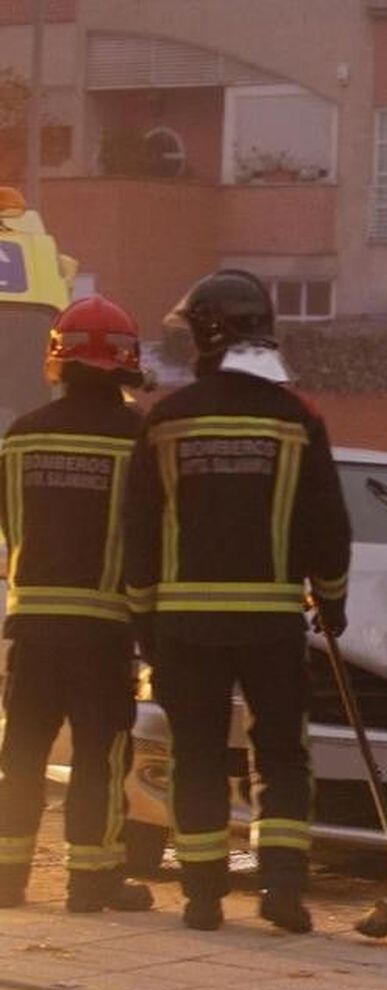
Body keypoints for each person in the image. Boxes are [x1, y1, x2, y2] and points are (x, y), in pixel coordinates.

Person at [123, 269, 351, 933]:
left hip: (185, 624)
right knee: (281, 752)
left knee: (195, 752)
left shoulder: (165, 419)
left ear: (204, 333)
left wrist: (143, 616)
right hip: (272, 622)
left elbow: (138, 527)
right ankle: (281, 888)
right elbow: (327, 521)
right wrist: (331, 601)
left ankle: (201, 896)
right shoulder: (296, 417)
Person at [0, 296, 154, 914]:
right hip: (104, 625)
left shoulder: (22, 433)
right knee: (100, 753)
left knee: (23, 752)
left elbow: (10, 522)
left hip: (32, 624)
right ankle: (92, 881)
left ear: (57, 359)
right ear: (124, 363)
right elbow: (151, 536)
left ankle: (6, 879)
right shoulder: (138, 437)